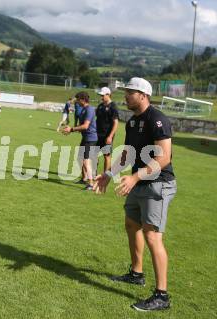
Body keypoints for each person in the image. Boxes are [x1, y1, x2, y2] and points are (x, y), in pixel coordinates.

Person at [93, 77, 176, 311]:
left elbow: (164, 157)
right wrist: (108, 175)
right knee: (131, 225)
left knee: (152, 235)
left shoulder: (157, 119)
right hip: (138, 183)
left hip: (157, 183)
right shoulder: (132, 123)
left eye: (130, 92)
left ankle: (162, 296)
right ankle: (136, 274)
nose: (126, 96)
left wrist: (136, 177)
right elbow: (128, 154)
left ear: (143, 94)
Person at [62, 91, 97, 190]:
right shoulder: (83, 109)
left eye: (77, 99)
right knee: (80, 158)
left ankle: (91, 183)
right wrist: (71, 129)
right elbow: (81, 126)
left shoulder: (89, 109)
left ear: (82, 99)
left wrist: (72, 129)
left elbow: (85, 126)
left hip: (90, 138)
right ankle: (84, 178)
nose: (76, 101)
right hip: (85, 138)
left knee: (86, 160)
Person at [96, 87, 119, 172]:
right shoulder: (100, 106)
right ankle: (93, 174)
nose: (101, 97)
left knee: (106, 156)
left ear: (108, 95)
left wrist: (110, 136)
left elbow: (116, 123)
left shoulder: (113, 107)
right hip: (97, 135)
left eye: (103, 95)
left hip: (107, 136)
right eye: (100, 95)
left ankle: (105, 176)